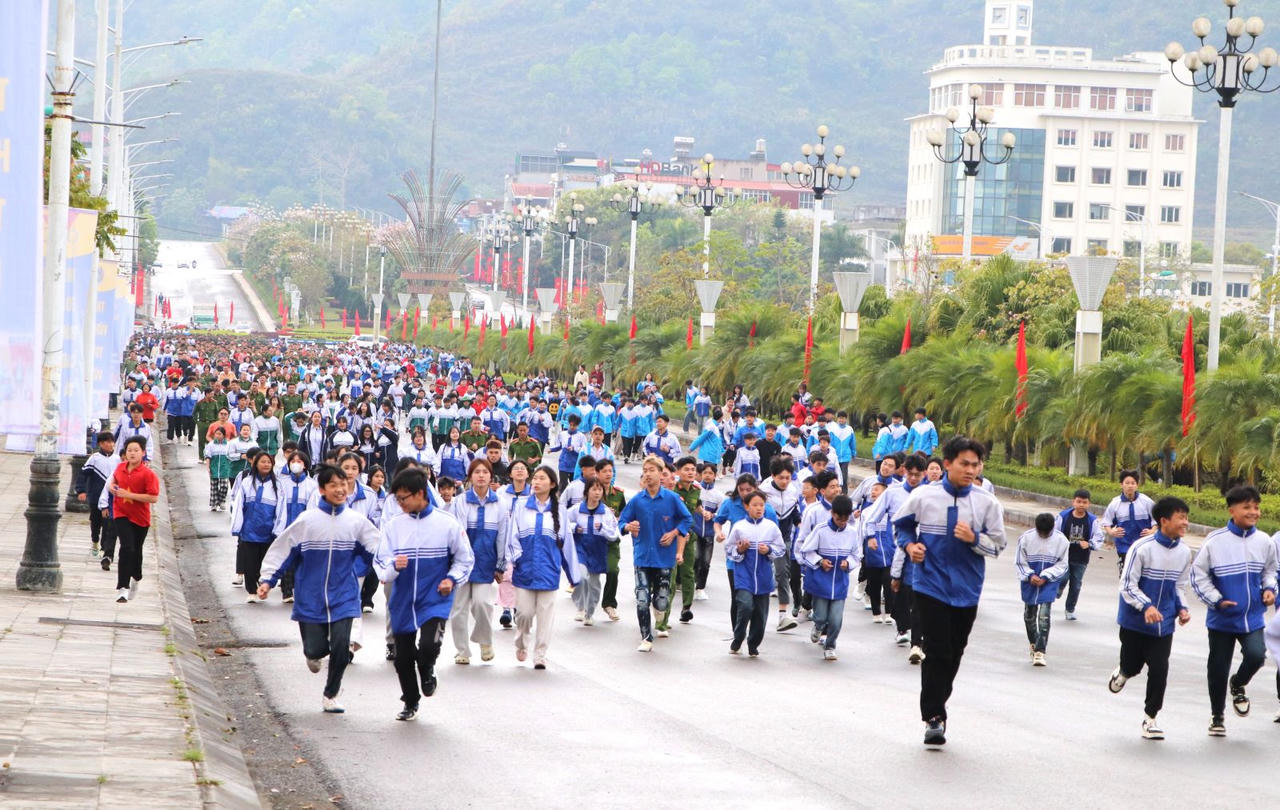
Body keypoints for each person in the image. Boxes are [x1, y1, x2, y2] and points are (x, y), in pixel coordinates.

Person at [893, 436, 1006, 747]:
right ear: (947, 464)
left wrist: (973, 538)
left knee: (955, 651)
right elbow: (900, 526)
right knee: (938, 649)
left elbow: (997, 546)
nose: (970, 470)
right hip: (930, 584)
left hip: (967, 590)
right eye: (964, 464)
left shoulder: (986, 503)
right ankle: (933, 716)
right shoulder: (923, 497)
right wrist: (910, 545)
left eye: (976, 465)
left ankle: (938, 704)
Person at [257, 464, 383, 714]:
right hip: (310, 596)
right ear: (322, 489)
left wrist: (390, 571)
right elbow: (283, 550)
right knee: (315, 650)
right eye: (333, 485)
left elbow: (378, 549)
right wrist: (267, 580)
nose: (340, 489)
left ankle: (331, 694)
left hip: (344, 595)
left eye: (343, 484)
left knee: (341, 645)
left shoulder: (356, 522)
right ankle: (313, 652)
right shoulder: (307, 521)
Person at [375, 468, 474, 722]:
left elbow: (465, 559)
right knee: (403, 656)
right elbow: (380, 562)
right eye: (397, 499)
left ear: (420, 493)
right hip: (403, 598)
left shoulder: (447, 524)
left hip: (435, 597)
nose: (400, 503)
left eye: (404, 498)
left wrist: (451, 580)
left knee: (428, 646)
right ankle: (410, 700)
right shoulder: (393, 526)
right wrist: (393, 567)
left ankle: (427, 668)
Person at [1189, 485, 1277, 736]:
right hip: (1222, 619)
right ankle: (1217, 716)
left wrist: (1269, 589)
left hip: (1252, 617)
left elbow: (1270, 570)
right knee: (1218, 667)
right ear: (1232, 510)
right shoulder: (1214, 542)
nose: (1254, 512)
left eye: (1257, 507)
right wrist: (1216, 600)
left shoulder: (1264, 541)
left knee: (1256, 656)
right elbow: (1198, 575)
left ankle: (1238, 684)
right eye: (1247, 507)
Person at [1109, 496, 1193, 741]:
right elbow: (1127, 585)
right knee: (1133, 665)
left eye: (1186, 517)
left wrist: (1182, 609)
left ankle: (1150, 717)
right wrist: (1145, 606)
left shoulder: (1185, 552)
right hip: (1134, 622)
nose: (1185, 523)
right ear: (1164, 520)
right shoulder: (1141, 548)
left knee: (1159, 668)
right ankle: (1123, 671)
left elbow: (1179, 586)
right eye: (1181, 518)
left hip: (1163, 624)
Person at [506, 466, 579, 669]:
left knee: (546, 616)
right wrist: (517, 559)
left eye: (542, 478)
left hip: (549, 571)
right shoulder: (521, 507)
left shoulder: (560, 511)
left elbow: (567, 545)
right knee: (525, 614)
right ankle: (521, 644)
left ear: (552, 484)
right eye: (535, 478)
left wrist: (573, 575)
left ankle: (540, 654)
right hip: (524, 570)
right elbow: (512, 537)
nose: (536, 482)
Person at [619, 456, 693, 652]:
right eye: (645, 470)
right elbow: (622, 521)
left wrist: (674, 532)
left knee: (661, 601)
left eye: (652, 470)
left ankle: (659, 611)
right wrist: (628, 526)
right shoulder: (637, 500)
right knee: (642, 597)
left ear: (661, 474)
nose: (648, 473)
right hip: (642, 556)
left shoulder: (672, 499)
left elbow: (687, 519)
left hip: (664, 558)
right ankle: (646, 637)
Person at [448, 459, 507, 665]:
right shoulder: (460, 502)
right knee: (458, 609)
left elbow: (503, 536)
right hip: (461, 564)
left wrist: (501, 564)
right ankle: (462, 650)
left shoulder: (499, 504)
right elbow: (455, 533)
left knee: (483, 603)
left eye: (485, 472)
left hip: (486, 562)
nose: (481, 476)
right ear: (470, 476)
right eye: (476, 472)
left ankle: (485, 640)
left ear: (491, 476)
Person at [725, 491, 786, 657]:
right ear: (746, 506)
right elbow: (729, 550)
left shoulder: (771, 527)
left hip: (764, 575)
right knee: (744, 606)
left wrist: (769, 550)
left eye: (762, 505)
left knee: (760, 614)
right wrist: (740, 549)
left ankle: (753, 644)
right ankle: (738, 637)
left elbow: (781, 549)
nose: (759, 508)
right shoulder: (739, 527)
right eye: (755, 505)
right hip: (743, 574)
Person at [799, 494, 860, 660]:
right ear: (832, 513)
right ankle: (818, 626)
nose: (842, 522)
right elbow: (806, 551)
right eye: (839, 518)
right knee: (820, 616)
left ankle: (830, 645)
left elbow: (856, 555)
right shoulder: (820, 530)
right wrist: (820, 561)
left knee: (836, 619)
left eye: (845, 519)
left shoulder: (852, 533)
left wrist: (848, 563)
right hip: (821, 580)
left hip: (840, 581)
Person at [107, 436, 160, 603]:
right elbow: (112, 482)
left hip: (141, 518)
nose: (132, 453)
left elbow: (153, 498)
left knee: (136, 550)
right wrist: (113, 488)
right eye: (129, 450)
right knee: (126, 547)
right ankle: (122, 588)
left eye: (136, 450)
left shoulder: (148, 474)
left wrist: (129, 495)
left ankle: (136, 577)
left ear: (143, 453)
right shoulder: (121, 467)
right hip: (121, 513)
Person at [1015, 513, 1070, 667]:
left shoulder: (1061, 540)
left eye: (1046, 533)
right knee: (1029, 616)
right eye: (1041, 533)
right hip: (1030, 582)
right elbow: (1019, 562)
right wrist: (1030, 575)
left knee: (1044, 617)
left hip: (1049, 582)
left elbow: (1063, 565)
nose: (1043, 535)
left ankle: (1040, 651)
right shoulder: (1026, 538)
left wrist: (1046, 576)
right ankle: (1033, 642)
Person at [231, 451, 284, 603]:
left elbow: (281, 509)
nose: (266, 464)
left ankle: (261, 584)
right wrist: (237, 526)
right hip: (249, 529)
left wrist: (278, 529)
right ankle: (251, 591)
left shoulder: (277, 485)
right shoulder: (247, 482)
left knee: (262, 561)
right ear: (256, 464)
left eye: (269, 462)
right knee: (249, 562)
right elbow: (239, 506)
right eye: (263, 462)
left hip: (267, 530)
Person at [568, 479, 618, 626]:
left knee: (594, 584)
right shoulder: (576, 509)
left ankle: (590, 613)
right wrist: (574, 527)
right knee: (581, 577)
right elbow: (562, 523)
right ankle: (580, 607)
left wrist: (602, 528)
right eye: (594, 489)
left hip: (598, 549)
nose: (597, 493)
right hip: (580, 548)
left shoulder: (606, 512)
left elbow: (614, 534)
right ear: (587, 491)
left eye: (600, 490)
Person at [1054, 489, 1104, 620]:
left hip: (1081, 558)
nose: (1081, 504)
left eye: (1084, 502)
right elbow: (1054, 532)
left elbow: (1099, 537)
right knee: (1063, 577)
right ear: (1073, 502)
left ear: (1089, 504)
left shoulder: (1092, 520)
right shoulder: (1063, 516)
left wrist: (1090, 544)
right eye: (1079, 501)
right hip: (1064, 556)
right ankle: (1058, 589)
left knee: (1076, 585)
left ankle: (1070, 609)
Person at [1102, 471, 1155, 572]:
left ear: (1137, 485)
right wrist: (1112, 532)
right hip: (1124, 546)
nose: (1130, 486)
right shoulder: (1115, 503)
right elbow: (1106, 522)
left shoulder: (1147, 502)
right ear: (1121, 485)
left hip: (1144, 545)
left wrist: (1152, 531)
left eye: (1133, 483)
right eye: (1127, 483)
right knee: (1125, 576)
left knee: (1143, 578)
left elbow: (1157, 520)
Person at [76, 432, 117, 562]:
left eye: (112, 442)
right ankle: (95, 540)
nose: (110, 445)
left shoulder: (117, 459)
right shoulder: (94, 458)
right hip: (95, 497)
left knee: (108, 524)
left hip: (110, 499)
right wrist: (81, 490)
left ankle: (104, 550)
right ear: (100, 444)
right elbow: (83, 474)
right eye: (107, 442)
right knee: (96, 522)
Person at [596, 458, 628, 622]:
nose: (608, 474)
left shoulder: (619, 493)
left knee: (613, 570)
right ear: (597, 473)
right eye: (605, 471)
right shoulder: (592, 491)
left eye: (611, 471)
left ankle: (609, 604)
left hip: (612, 540)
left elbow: (624, 514)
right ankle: (585, 605)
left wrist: (623, 525)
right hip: (594, 541)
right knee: (590, 575)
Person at [204, 427, 234, 511]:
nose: (217, 435)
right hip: (214, 468)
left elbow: (231, 456)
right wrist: (208, 468)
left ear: (224, 435)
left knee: (224, 486)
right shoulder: (211, 445)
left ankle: (221, 501)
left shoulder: (228, 445)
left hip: (225, 468)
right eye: (216, 434)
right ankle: (213, 504)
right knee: (214, 486)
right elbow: (208, 457)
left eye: (219, 434)